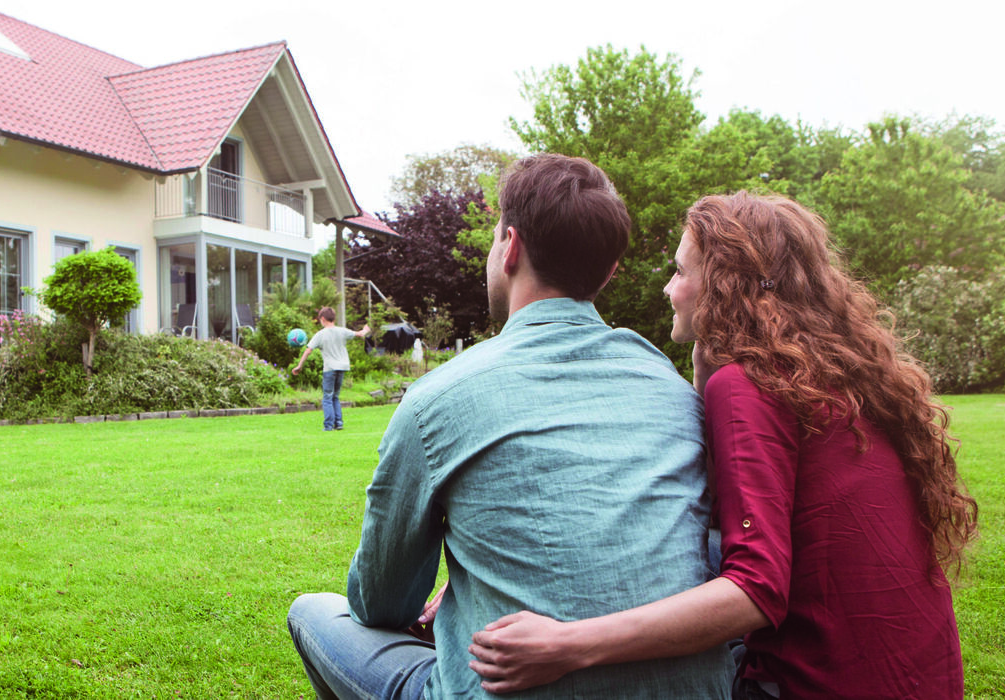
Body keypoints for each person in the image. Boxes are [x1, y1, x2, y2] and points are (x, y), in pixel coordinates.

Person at [467, 192, 978, 699]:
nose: (670, 288)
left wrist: (566, 645)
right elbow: (709, 506)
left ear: (721, 288)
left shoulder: (748, 385)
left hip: (822, 683)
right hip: (921, 679)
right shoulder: (837, 373)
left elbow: (755, 592)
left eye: (681, 272)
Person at [286, 154, 731, 699]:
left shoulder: (438, 398)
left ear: (510, 246)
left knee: (313, 612)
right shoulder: (667, 385)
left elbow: (383, 603)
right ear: (609, 272)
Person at [291, 307, 370, 431]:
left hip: (330, 368)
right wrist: (365, 330)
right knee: (335, 396)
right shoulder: (342, 331)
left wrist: (299, 366)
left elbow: (308, 351)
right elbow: (360, 334)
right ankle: (339, 423)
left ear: (322, 319)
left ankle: (328, 425)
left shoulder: (320, 334)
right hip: (342, 367)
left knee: (327, 396)